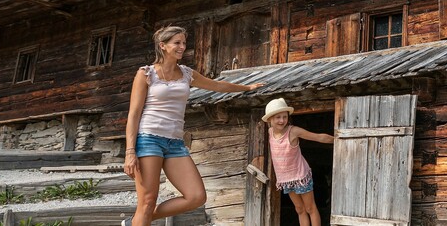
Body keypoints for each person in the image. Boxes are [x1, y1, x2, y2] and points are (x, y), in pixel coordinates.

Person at [122, 25, 265, 226]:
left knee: (196, 196)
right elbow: (134, 114)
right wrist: (130, 151)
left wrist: (246, 87)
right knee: (147, 201)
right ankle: (141, 217)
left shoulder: (187, 74)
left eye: (184, 43)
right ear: (162, 46)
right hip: (148, 139)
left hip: (175, 143)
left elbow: (217, 85)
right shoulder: (146, 74)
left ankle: (137, 220)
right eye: (177, 43)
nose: (182, 47)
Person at [262, 98, 335, 226]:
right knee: (299, 209)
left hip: (301, 176)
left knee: (310, 208)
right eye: (278, 117)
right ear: (270, 120)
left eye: (285, 117)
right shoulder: (269, 132)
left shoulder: (293, 131)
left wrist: (339, 139)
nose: (282, 120)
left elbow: (318, 137)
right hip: (287, 179)